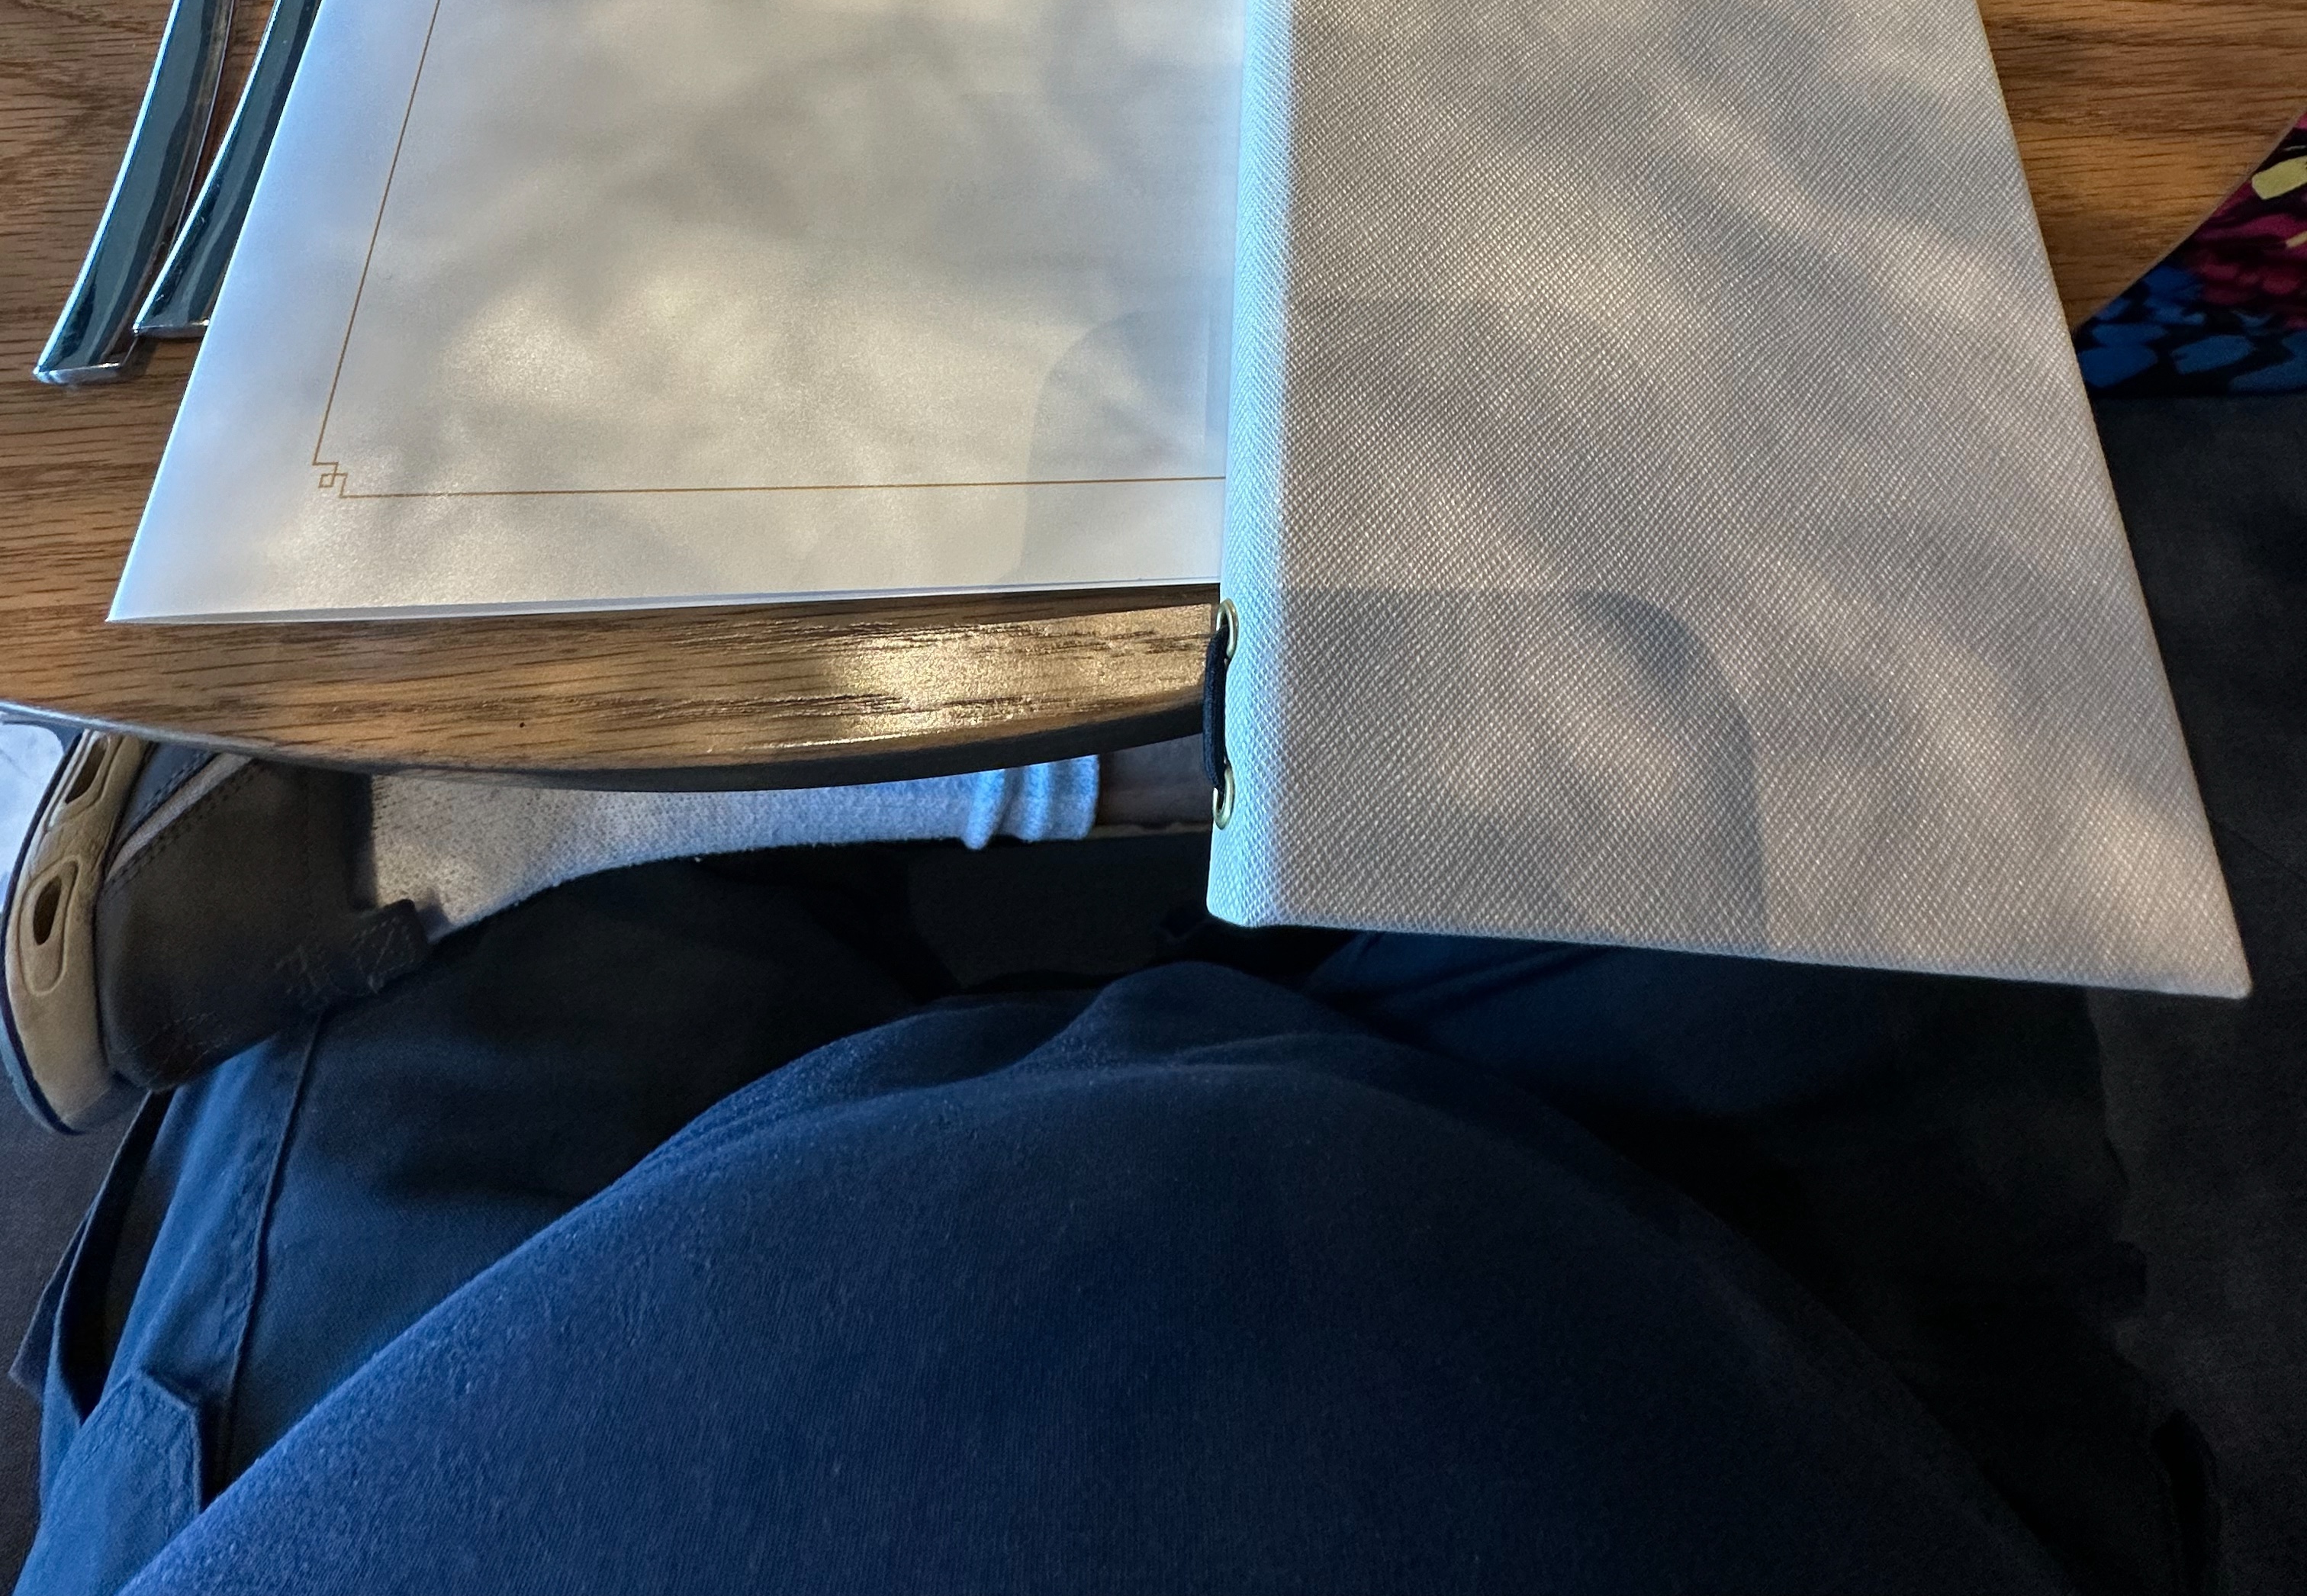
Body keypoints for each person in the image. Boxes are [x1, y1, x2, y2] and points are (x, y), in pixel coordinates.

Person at [3, 726, 2215, 1596]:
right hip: (1744, 1361)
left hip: (460, 1419)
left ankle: (677, 765)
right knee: (1792, 701)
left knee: (478, 934)